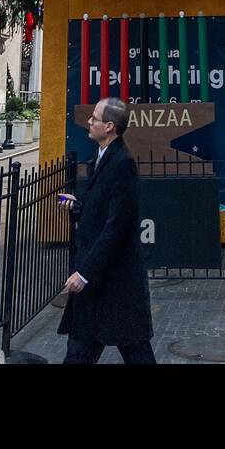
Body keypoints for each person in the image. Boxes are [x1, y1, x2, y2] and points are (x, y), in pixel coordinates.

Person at [57, 97, 155, 363]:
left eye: (95, 118)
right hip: (99, 281)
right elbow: (104, 207)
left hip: (113, 281)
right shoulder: (101, 156)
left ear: (109, 126)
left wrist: (84, 274)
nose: (89, 121)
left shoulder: (123, 163)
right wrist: (78, 205)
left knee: (135, 350)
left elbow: (117, 226)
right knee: (79, 351)